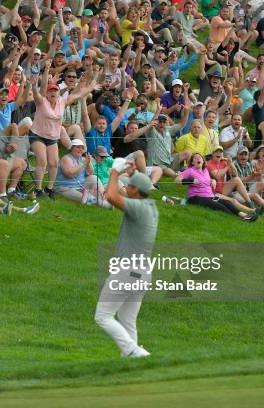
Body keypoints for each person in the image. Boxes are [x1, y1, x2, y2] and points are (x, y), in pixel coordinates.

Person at [95, 158, 158, 358]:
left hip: (127, 271)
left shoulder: (138, 209)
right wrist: (131, 173)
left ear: (136, 191)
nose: (126, 188)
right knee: (126, 318)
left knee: (103, 316)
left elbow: (111, 196)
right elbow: (137, 187)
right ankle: (132, 360)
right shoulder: (150, 206)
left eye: (129, 186)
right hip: (142, 273)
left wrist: (114, 172)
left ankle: (132, 350)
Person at [29, 60, 99, 199]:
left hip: (53, 137)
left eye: (55, 90)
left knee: (54, 162)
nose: (53, 92)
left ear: (58, 93)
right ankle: (38, 189)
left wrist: (92, 83)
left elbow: (79, 94)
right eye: (51, 91)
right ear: (47, 94)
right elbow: (37, 93)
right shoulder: (41, 102)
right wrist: (33, 84)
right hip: (37, 134)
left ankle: (49, 190)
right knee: (42, 162)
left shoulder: (62, 102)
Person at [175, 153, 260, 221]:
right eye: (195, 158)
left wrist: (213, 181)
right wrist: (190, 181)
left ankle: (244, 215)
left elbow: (207, 181)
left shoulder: (205, 171)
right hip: (196, 197)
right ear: (192, 162)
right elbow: (177, 180)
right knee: (218, 206)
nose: (198, 159)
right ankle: (237, 219)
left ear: (203, 160)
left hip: (210, 196)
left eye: (199, 157)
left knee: (227, 203)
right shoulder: (190, 170)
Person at [55, 139, 110, 208]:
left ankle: (103, 198)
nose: (81, 150)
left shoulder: (83, 159)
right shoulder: (66, 158)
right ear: (72, 148)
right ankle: (103, 204)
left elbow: (90, 173)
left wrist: (88, 162)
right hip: (66, 187)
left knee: (94, 178)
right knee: (83, 198)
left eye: (82, 148)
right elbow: (70, 174)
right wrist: (83, 163)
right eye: (78, 147)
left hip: (80, 186)